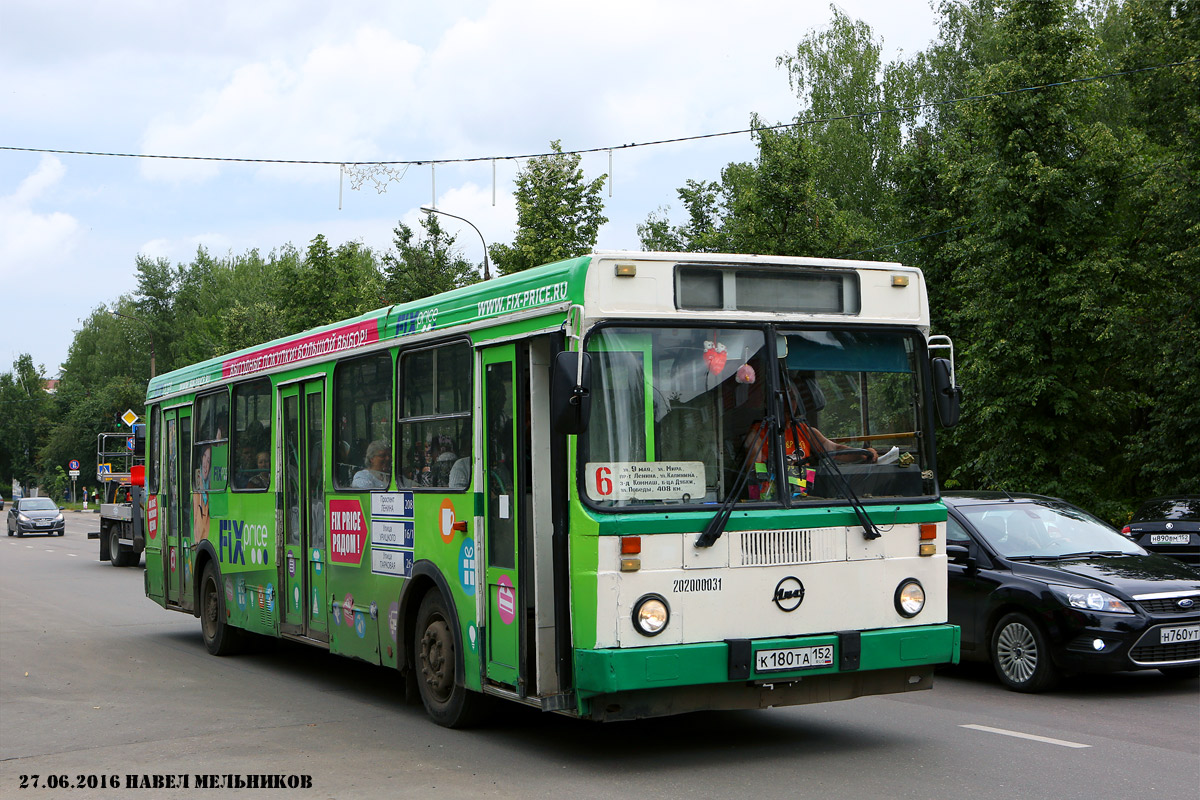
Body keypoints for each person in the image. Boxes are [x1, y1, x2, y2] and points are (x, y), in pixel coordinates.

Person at [746, 384, 877, 500]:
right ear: (770, 402)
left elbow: (834, 450)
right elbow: (752, 469)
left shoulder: (805, 431)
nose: (787, 403)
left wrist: (863, 454)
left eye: (791, 398)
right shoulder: (759, 432)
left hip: (802, 500)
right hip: (769, 500)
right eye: (782, 397)